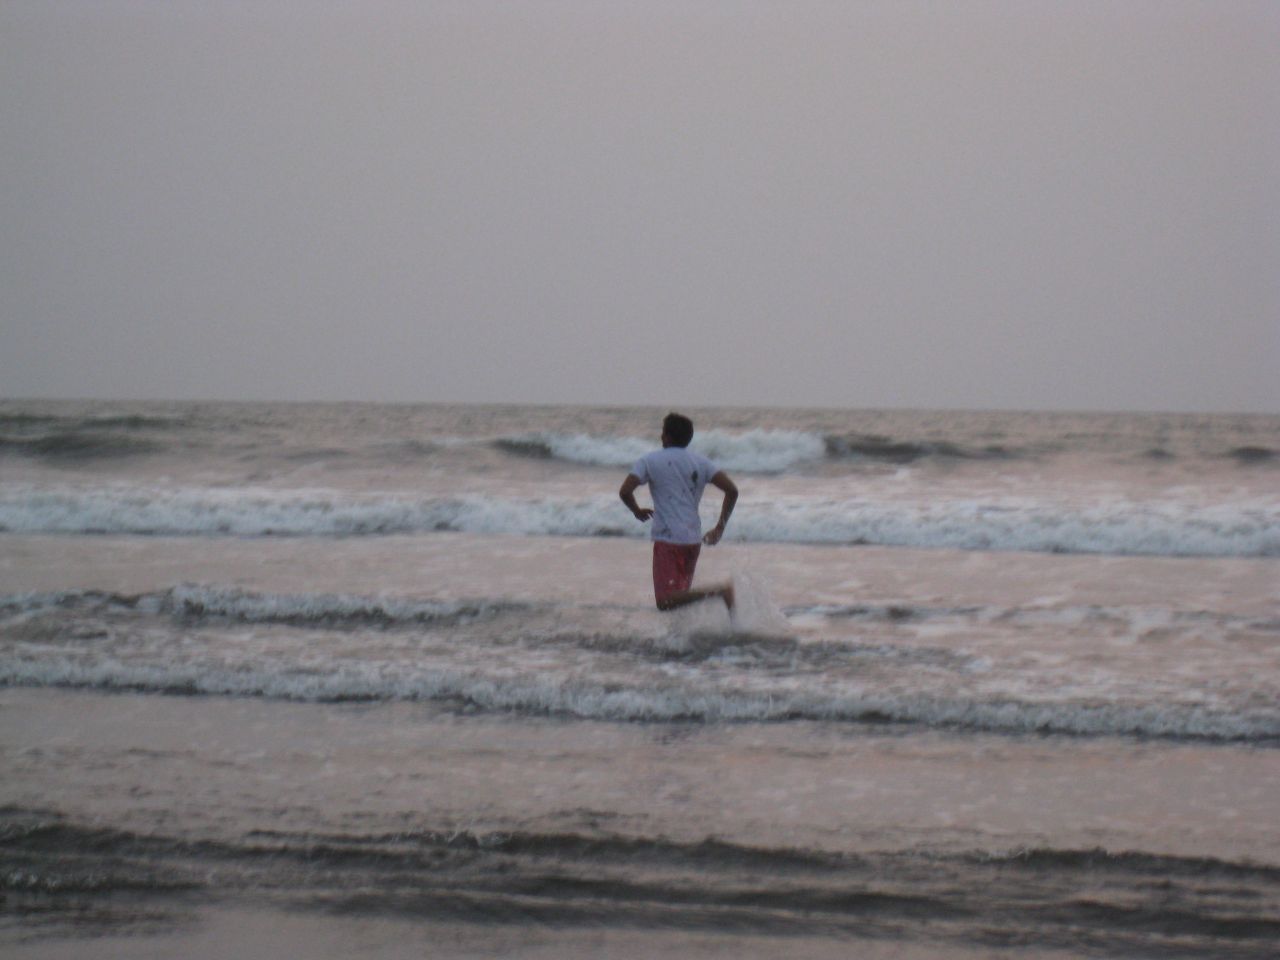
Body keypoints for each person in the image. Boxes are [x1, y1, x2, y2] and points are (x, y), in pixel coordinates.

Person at [619, 412, 738, 610]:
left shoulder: (650, 460)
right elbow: (732, 490)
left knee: (665, 601)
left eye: (662, 432)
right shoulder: (702, 462)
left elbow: (625, 491)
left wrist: (636, 510)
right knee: (680, 598)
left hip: (668, 539)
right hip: (692, 539)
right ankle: (680, 639)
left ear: (666, 436)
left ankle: (718, 592)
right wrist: (719, 528)